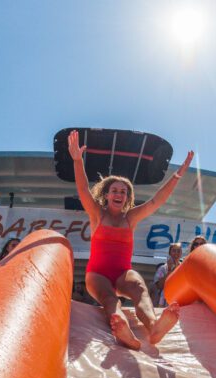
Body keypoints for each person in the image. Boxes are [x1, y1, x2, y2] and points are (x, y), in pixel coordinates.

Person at [68, 129, 193, 350]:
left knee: (139, 289)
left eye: (123, 192)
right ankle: (122, 327)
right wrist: (78, 161)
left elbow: (156, 201)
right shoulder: (98, 214)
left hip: (123, 273)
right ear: (107, 194)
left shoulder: (131, 218)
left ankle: (154, 326)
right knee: (109, 298)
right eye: (114, 190)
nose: (119, 194)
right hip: (97, 275)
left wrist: (178, 175)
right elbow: (83, 190)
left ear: (127, 198)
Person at [153, 242, 182, 307]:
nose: (176, 253)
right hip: (164, 303)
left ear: (181, 253)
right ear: (170, 253)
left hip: (179, 301)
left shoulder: (184, 268)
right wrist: (169, 270)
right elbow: (159, 286)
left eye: (178, 251)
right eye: (174, 251)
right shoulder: (162, 268)